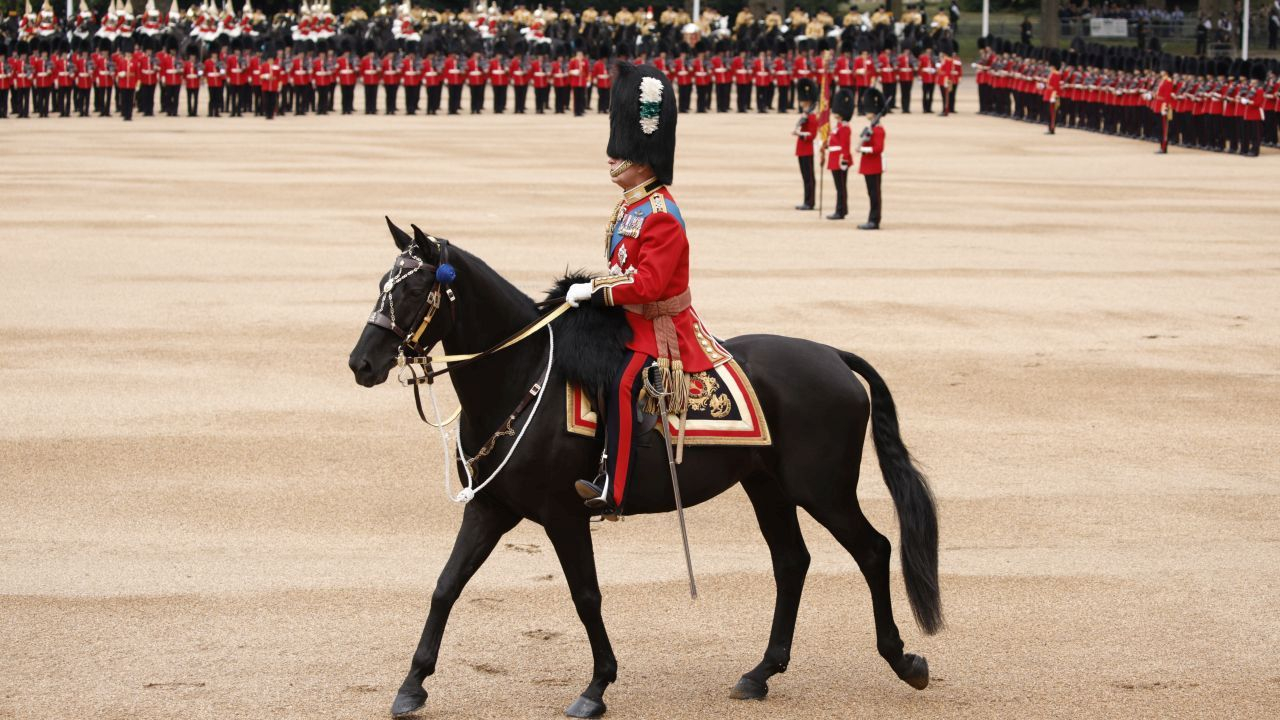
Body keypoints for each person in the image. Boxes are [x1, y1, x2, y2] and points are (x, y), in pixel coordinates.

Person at [565, 62, 728, 516]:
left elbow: (650, 284)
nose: (612, 159)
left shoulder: (660, 213)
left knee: (620, 383)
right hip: (630, 315)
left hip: (660, 326)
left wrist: (597, 293)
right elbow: (624, 268)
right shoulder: (630, 204)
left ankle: (613, 491)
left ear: (644, 159)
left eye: (622, 153)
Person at [857, 88, 887, 230]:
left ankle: (874, 220)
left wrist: (863, 149)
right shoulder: (872, 127)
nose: (866, 113)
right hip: (868, 164)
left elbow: (878, 149)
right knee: (871, 193)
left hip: (874, 165)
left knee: (874, 194)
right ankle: (871, 218)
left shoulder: (879, 129)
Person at [824, 88, 854, 220]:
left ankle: (840, 211)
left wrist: (844, 160)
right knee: (839, 187)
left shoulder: (845, 128)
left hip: (840, 160)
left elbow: (845, 146)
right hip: (834, 158)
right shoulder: (838, 126)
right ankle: (842, 209)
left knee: (840, 188)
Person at [792, 78, 819, 211]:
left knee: (809, 178)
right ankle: (806, 200)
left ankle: (810, 202)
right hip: (802, 149)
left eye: (803, 101)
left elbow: (812, 135)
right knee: (805, 177)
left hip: (808, 149)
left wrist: (800, 134)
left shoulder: (812, 116)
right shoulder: (805, 115)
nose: (801, 103)